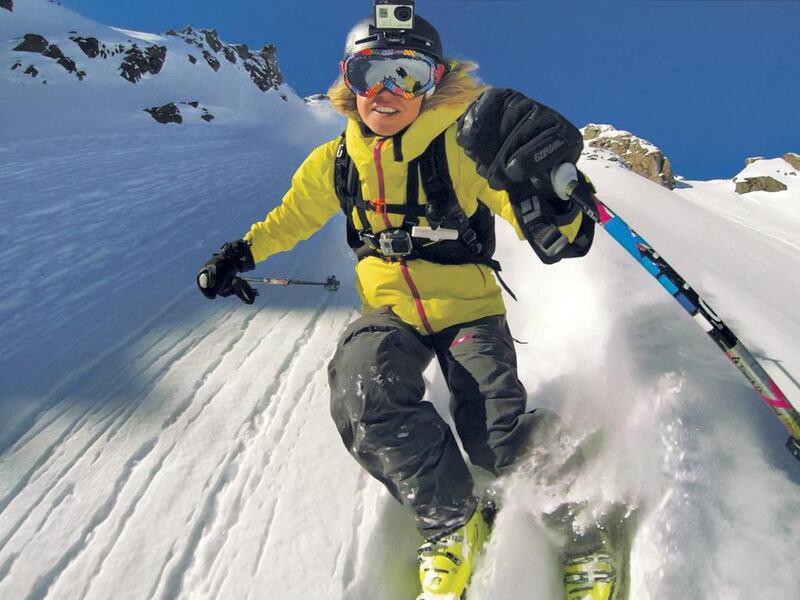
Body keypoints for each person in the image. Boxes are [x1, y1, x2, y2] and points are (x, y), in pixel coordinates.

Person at [197, 9, 619, 600]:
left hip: (469, 311)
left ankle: (579, 525)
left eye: (409, 75)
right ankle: (453, 521)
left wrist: (551, 203)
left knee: (494, 435)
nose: (389, 91)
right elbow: (292, 217)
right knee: (362, 391)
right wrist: (240, 253)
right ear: (349, 80)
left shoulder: (459, 149)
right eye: (373, 73)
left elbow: (526, 216)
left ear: (435, 83)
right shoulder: (336, 162)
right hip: (392, 311)